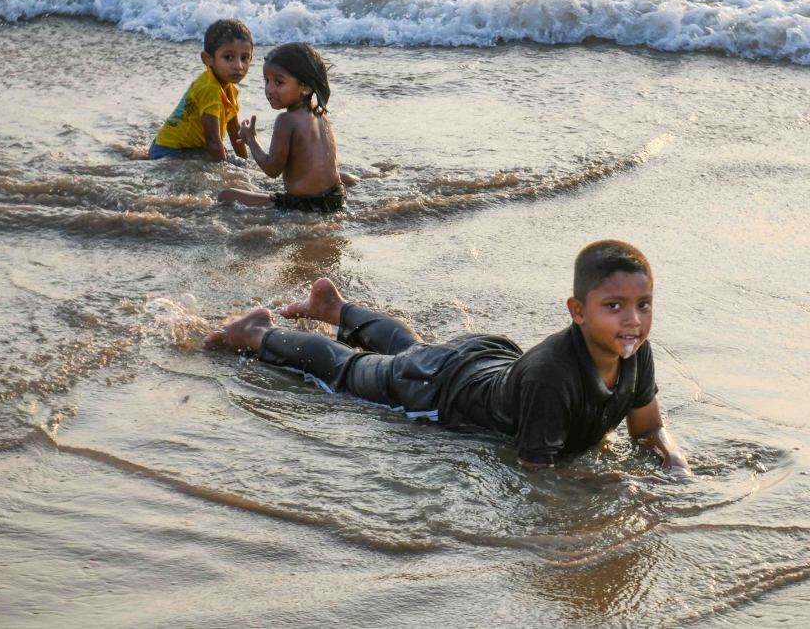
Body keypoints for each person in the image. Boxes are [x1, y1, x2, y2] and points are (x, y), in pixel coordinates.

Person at [205, 240, 693, 480]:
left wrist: (673, 459)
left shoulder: (635, 351)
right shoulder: (555, 379)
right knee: (349, 372)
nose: (632, 320)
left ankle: (335, 309)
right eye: (615, 306)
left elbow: (647, 426)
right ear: (578, 312)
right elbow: (534, 471)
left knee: (415, 350)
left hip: (485, 361)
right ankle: (260, 332)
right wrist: (602, 485)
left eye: (643, 304)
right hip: (439, 393)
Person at [217, 43, 347, 213]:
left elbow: (272, 170)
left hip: (303, 205)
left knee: (226, 195)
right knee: (341, 175)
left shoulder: (286, 120)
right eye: (267, 81)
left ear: (305, 87)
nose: (269, 89)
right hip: (336, 197)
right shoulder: (321, 115)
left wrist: (251, 140)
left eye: (278, 82)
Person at [148, 19, 252, 163]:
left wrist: (246, 163)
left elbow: (235, 134)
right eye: (229, 57)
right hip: (169, 151)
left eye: (245, 58)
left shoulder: (230, 89)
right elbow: (213, 141)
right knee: (208, 172)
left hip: (185, 147)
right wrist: (223, 174)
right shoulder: (209, 88)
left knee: (225, 159)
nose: (239, 66)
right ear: (207, 59)